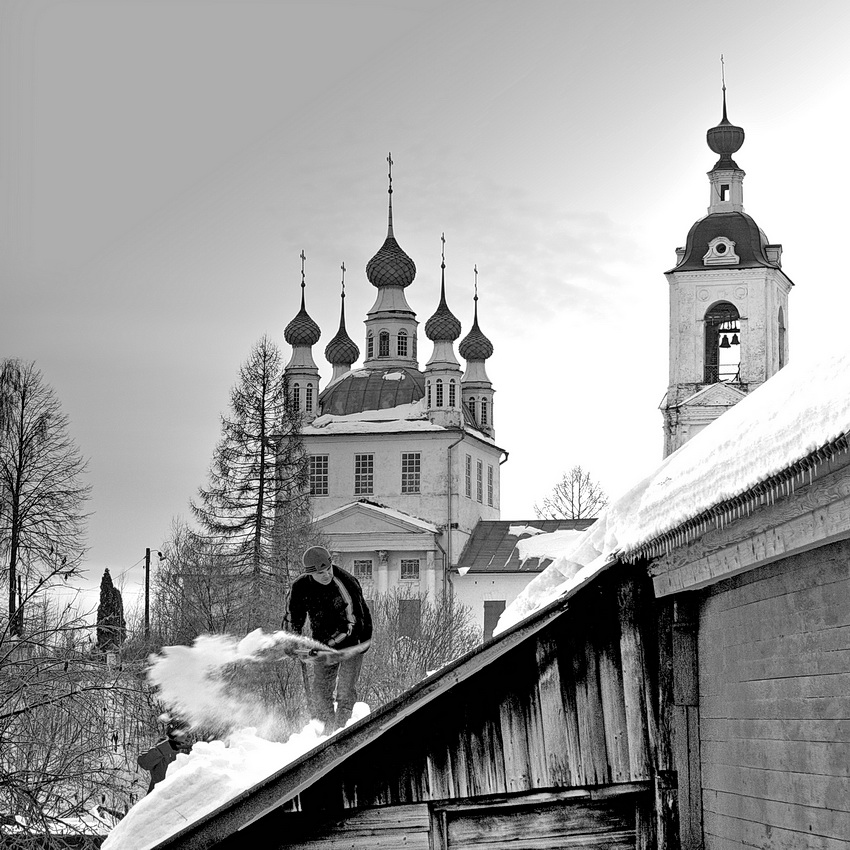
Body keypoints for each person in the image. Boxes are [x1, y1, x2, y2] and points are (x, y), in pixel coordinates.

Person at [284, 546, 372, 731]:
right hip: (323, 638)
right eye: (319, 573)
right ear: (310, 574)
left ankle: (341, 732)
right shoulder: (300, 586)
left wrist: (326, 646)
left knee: (345, 692)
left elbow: (352, 625)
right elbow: (294, 616)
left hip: (355, 642)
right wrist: (292, 640)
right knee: (321, 691)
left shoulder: (346, 584)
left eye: (327, 570)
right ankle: (326, 733)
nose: (325, 575)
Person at [137, 720, 191, 794]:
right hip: (158, 799)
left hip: (181, 799)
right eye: (186, 732)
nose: (189, 736)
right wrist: (168, 747)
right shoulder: (161, 749)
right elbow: (144, 762)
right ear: (175, 733)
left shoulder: (191, 752)